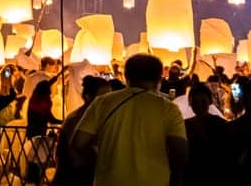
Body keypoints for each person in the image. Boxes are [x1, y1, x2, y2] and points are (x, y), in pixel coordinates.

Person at [71, 54, 188, 186]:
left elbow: (78, 143)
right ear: (158, 79)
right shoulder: (168, 108)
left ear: (126, 77)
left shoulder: (102, 102)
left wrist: (102, 157)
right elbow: (179, 152)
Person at [55, 74, 107, 186]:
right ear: (88, 96)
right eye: (103, 96)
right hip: (76, 175)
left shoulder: (98, 115)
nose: (108, 100)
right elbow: (75, 153)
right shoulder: (78, 118)